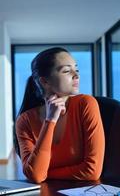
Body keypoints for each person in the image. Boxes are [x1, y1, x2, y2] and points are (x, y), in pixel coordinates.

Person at [15, 47, 105, 183]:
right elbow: (36, 176)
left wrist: (45, 173)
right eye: (67, 71)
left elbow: (92, 171)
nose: (76, 75)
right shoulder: (25, 120)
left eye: (77, 69)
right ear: (45, 82)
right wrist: (50, 120)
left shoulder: (86, 104)